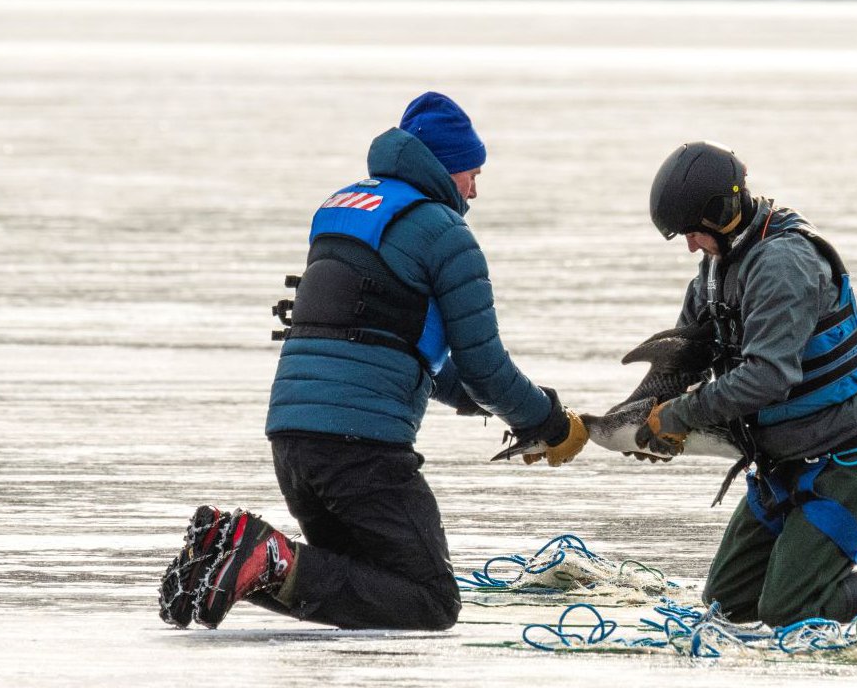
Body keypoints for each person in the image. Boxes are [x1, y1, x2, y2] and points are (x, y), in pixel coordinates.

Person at [158, 92, 588, 631]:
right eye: (470, 173)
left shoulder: (342, 209)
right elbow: (483, 367)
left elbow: (392, 342)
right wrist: (545, 420)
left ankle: (220, 554)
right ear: (443, 167)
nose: (475, 190)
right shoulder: (445, 234)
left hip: (294, 442)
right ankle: (261, 553)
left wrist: (486, 406)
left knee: (360, 580)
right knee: (428, 601)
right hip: (361, 451)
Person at [635, 141, 857, 629]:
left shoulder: (782, 264)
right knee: (728, 608)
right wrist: (635, 420)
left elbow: (768, 378)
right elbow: (682, 362)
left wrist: (680, 417)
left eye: (691, 232)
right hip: (782, 465)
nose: (689, 246)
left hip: (851, 460)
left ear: (722, 213)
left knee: (790, 611)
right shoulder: (715, 268)